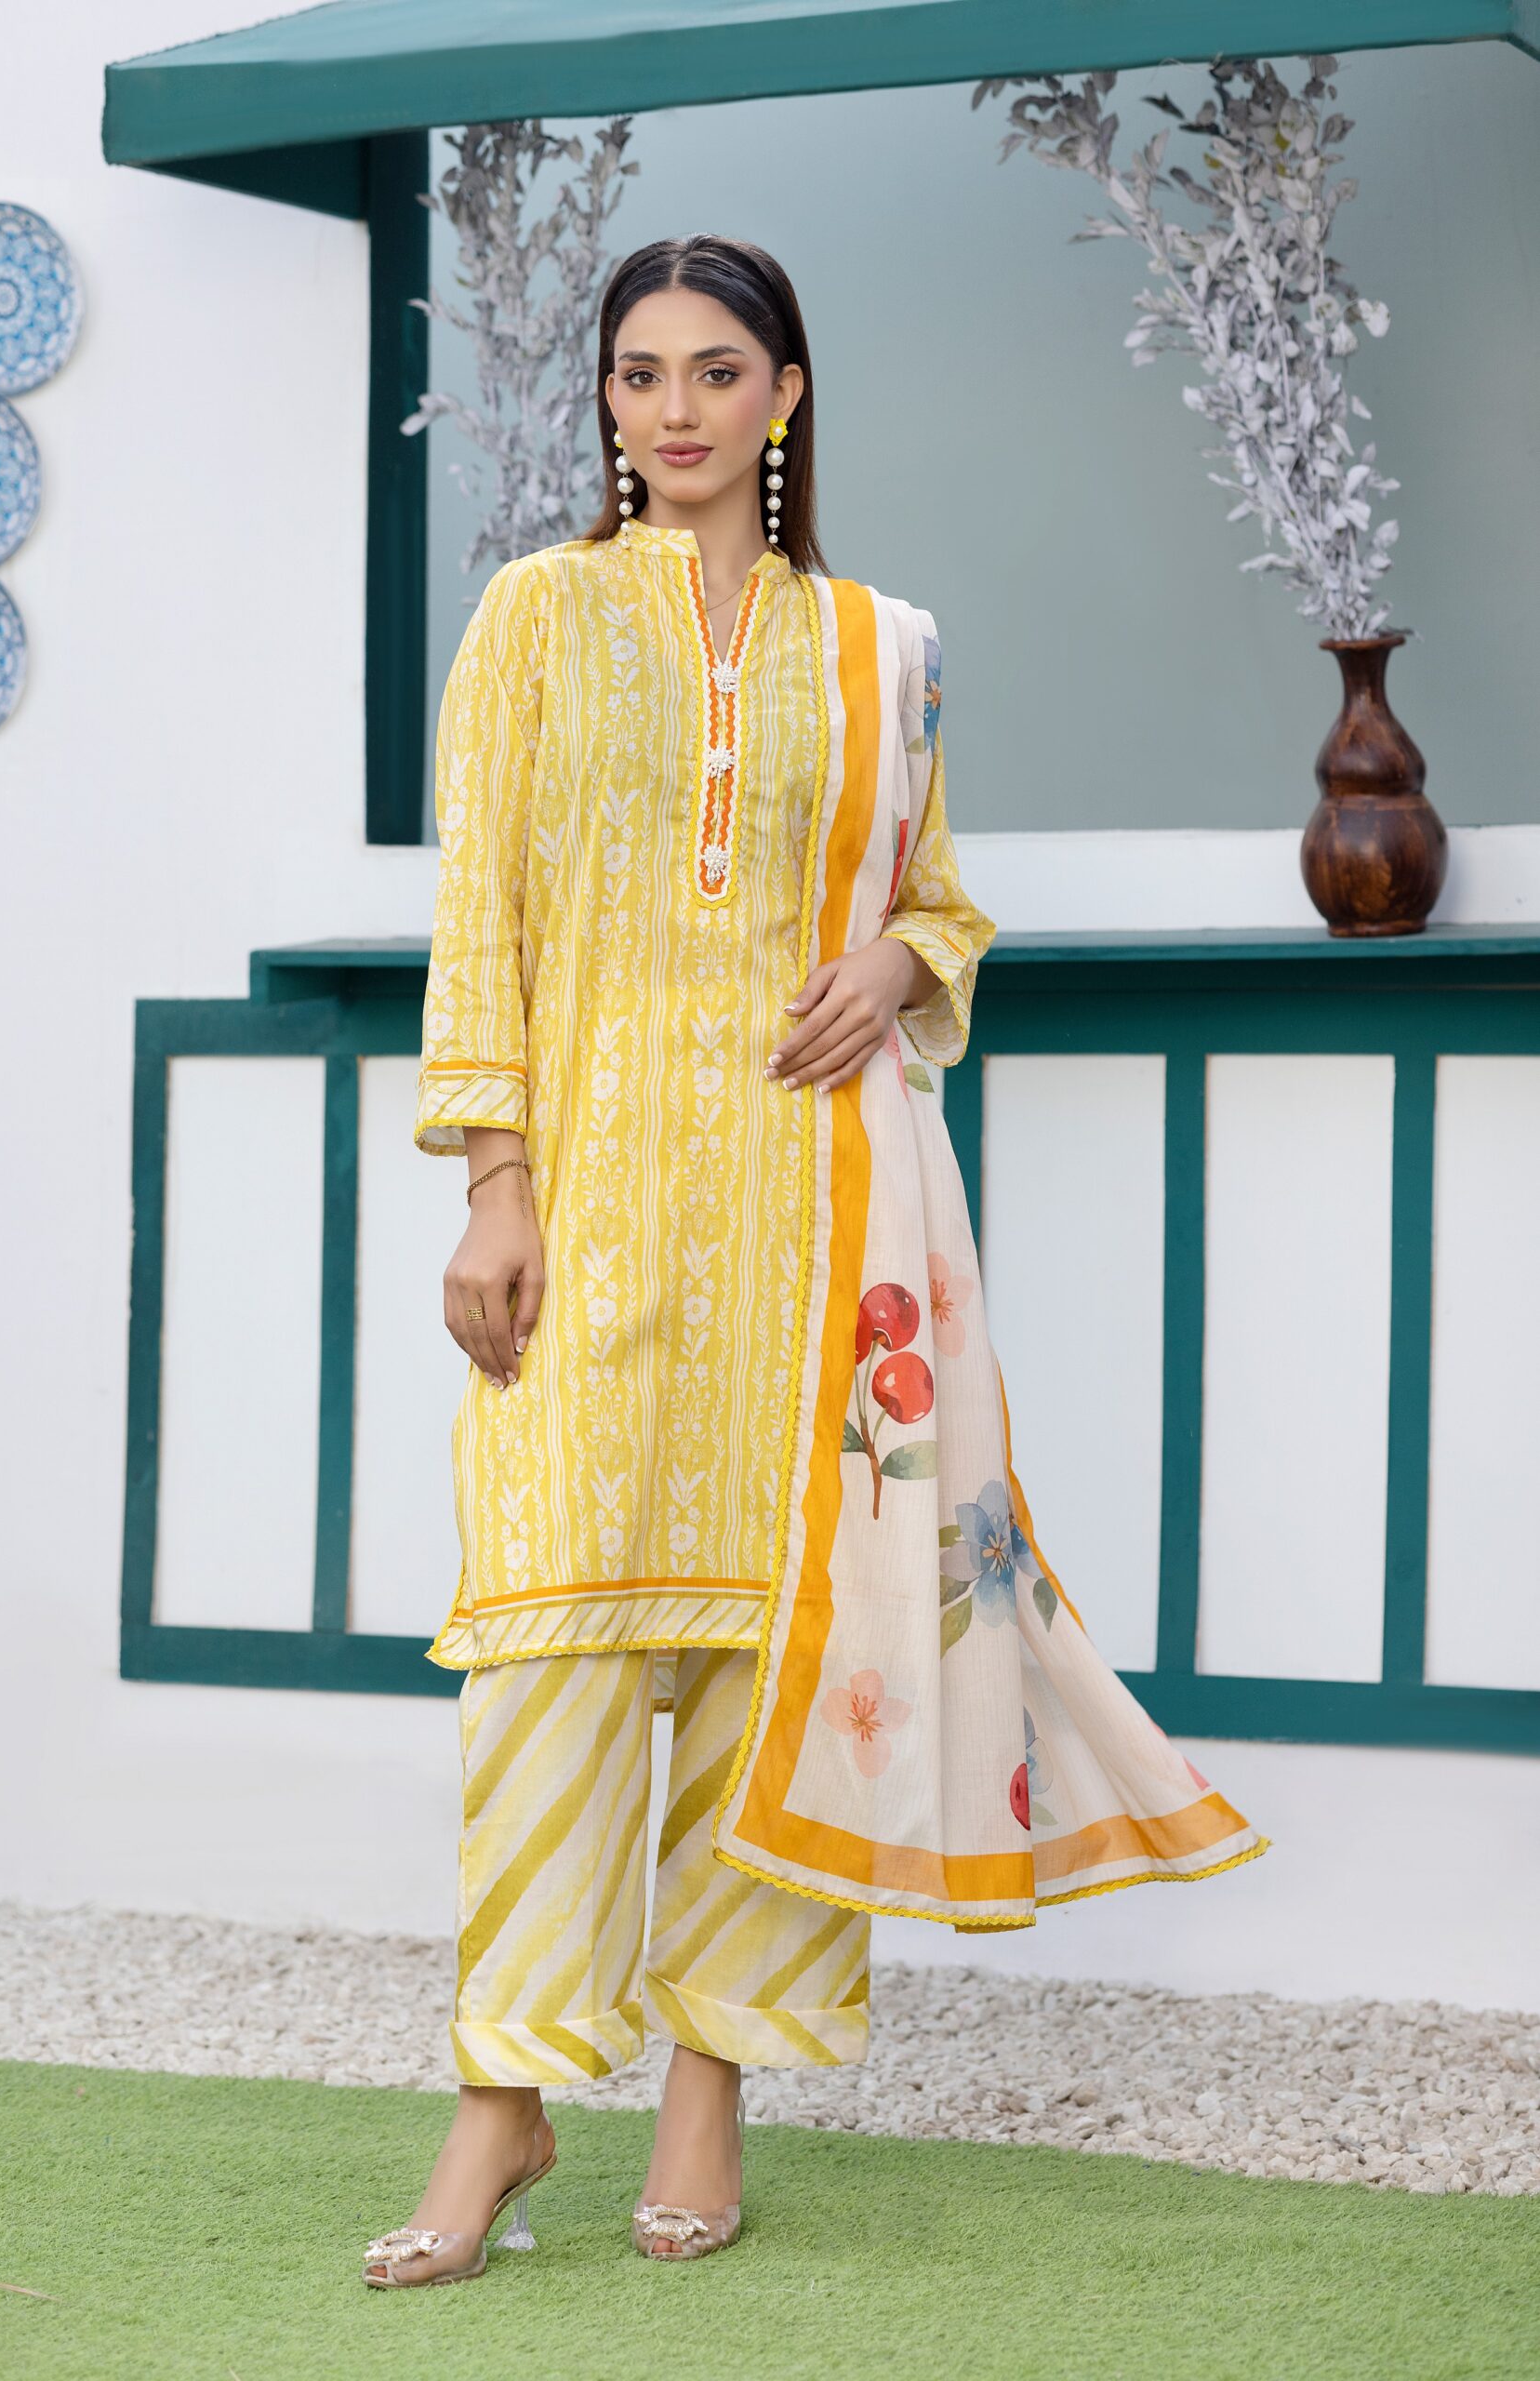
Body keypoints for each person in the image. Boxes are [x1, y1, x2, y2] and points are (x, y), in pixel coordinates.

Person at [363, 234, 1269, 2288]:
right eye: (638, 373)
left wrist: (900, 964)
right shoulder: (531, 617)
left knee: (789, 1653)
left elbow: (937, 903)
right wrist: (495, 1180)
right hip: (590, 1218)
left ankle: (710, 2089)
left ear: (783, 397)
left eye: (716, 371)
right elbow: (479, 914)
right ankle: (504, 2098)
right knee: (550, 1659)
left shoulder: (881, 645)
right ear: (606, 400)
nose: (672, 409)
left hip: (820, 1218)